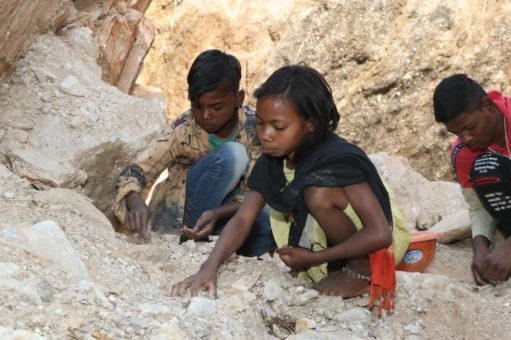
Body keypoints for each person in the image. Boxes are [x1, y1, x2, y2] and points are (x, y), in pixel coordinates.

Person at [171, 65, 410, 312]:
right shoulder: (273, 159)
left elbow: (380, 232)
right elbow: (243, 218)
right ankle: (337, 265)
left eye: (279, 126)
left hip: (378, 241)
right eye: (261, 124)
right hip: (339, 240)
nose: (266, 135)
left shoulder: (339, 158)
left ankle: (359, 269)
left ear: (309, 123)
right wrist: (209, 268)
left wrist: (315, 258)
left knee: (317, 194)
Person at [113, 49, 276, 257]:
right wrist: (136, 204)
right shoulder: (183, 128)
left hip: (226, 216)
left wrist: (216, 215)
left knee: (271, 218)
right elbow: (134, 172)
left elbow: (257, 192)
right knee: (233, 155)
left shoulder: (256, 127)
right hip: (178, 219)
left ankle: (221, 245)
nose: (206, 115)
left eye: (216, 107)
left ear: (238, 98)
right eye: (197, 106)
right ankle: (190, 238)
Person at [433, 74, 511, 285]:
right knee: (485, 168)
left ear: (487, 106)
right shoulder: (464, 152)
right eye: (456, 132)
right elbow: (478, 207)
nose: (466, 138)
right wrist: (480, 246)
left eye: (469, 127)